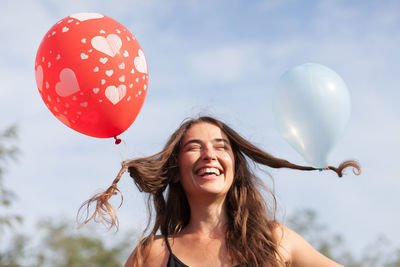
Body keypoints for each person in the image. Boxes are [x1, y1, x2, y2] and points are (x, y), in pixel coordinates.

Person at [80, 116, 361, 267]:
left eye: (220, 146)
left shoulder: (275, 239)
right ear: (176, 171)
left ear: (234, 168)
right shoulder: (152, 254)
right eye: (193, 147)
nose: (208, 155)